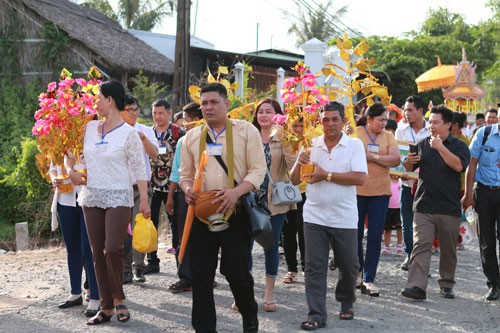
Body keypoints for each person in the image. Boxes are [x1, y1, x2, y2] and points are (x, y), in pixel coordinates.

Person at [179, 83, 266, 333]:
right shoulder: (191, 138)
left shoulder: (246, 131)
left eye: (214, 102)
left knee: (235, 271)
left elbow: (258, 170)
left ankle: (249, 313)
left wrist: (236, 192)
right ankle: (204, 329)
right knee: (200, 274)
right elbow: (184, 174)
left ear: (227, 104)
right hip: (202, 214)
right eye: (204, 103)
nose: (208, 107)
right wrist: (187, 190)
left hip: (235, 212)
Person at [70, 80, 151, 325]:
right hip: (91, 195)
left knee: (112, 248)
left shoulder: (129, 133)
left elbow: (139, 169)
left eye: (98, 98)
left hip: (118, 196)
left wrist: (145, 201)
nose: (95, 103)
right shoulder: (90, 127)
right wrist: (76, 175)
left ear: (110, 101)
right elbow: (83, 161)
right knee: (96, 253)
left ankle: (119, 298)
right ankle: (105, 306)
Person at [291, 101, 367, 331]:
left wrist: (327, 175)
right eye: (325, 119)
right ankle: (316, 314)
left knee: (349, 265)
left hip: (344, 218)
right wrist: (299, 162)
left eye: (335, 119)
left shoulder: (354, 145)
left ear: (344, 121)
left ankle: (346, 299)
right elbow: (294, 180)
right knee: (314, 267)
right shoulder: (310, 144)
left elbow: (360, 178)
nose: (330, 124)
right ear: (319, 121)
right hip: (314, 217)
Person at [401, 105, 470, 301]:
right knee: (421, 245)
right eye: (430, 122)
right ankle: (416, 286)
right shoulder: (422, 144)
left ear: (448, 124)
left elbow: (458, 166)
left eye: (435, 122)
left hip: (448, 207)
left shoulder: (459, 146)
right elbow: (408, 167)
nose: (431, 125)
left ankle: (447, 283)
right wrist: (408, 162)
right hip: (423, 205)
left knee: (448, 249)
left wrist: (440, 147)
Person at [250, 98, 296, 311]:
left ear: (277, 115)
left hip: (274, 202)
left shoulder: (284, 137)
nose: (264, 115)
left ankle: (269, 293)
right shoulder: (248, 135)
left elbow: (293, 167)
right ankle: (245, 293)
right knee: (244, 248)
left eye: (269, 111)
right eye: (260, 111)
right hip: (249, 200)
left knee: (270, 246)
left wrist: (296, 145)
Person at [355, 102, 400, 296]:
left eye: (386, 119)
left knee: (374, 236)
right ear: (369, 118)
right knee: (354, 234)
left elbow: (396, 160)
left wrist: (372, 157)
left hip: (381, 192)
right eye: (381, 119)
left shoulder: (388, 136)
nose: (384, 123)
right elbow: (352, 155)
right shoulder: (355, 132)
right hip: (356, 191)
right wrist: (382, 158)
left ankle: (369, 277)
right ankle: (356, 271)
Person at [49, 161, 99, 317]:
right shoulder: (58, 143)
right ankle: (75, 292)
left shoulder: (90, 138)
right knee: (72, 248)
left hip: (89, 197)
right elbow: (52, 167)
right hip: (65, 199)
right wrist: (54, 179)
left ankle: (96, 297)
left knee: (88, 248)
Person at [121, 96, 158, 284]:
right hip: (120, 187)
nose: (134, 113)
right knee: (122, 230)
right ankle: (125, 269)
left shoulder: (144, 130)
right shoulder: (115, 132)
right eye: (129, 110)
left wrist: (142, 138)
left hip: (140, 187)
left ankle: (138, 267)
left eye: (136, 109)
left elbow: (155, 153)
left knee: (139, 227)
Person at [462, 121, 500, 301]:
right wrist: (468, 194)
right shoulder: (483, 134)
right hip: (484, 192)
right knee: (486, 239)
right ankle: (494, 284)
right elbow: (472, 163)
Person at [166, 102, 202, 293]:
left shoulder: (212, 140)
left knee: (203, 237)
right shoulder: (183, 141)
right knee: (184, 236)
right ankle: (186, 277)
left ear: (198, 120)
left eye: (187, 121)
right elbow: (177, 172)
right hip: (185, 195)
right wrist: (171, 196)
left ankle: (202, 275)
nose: (183, 125)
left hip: (206, 195)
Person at [148, 99, 185, 274]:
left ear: (169, 113)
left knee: (176, 225)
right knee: (150, 224)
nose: (157, 116)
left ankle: (181, 263)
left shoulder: (179, 133)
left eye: (161, 113)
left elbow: (182, 161)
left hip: (174, 186)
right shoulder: (148, 132)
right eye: (154, 113)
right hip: (152, 186)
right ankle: (152, 260)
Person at [395, 95, 430, 271]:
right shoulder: (400, 131)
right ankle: (409, 255)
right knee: (406, 223)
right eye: (405, 110)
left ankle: (422, 259)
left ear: (420, 111)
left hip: (427, 186)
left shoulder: (432, 130)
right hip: (407, 185)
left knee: (425, 224)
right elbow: (397, 160)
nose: (406, 113)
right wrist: (404, 168)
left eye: (410, 110)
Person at [282, 119, 306, 284]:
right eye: (295, 125)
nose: (298, 129)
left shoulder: (312, 140)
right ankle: (291, 268)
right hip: (287, 191)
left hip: (306, 190)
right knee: (288, 231)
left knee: (304, 230)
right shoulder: (283, 141)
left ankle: (306, 267)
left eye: (301, 125)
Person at [381, 119, 403, 255]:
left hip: (398, 204)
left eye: (391, 131)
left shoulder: (398, 146)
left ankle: (400, 245)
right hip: (387, 203)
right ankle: (387, 246)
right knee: (387, 227)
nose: (388, 134)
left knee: (400, 227)